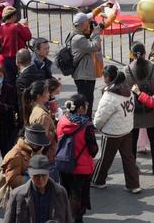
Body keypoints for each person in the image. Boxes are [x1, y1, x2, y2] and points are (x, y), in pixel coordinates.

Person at [91, 65, 142, 193]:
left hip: (112, 132)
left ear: (108, 77)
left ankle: (98, 180)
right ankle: (133, 184)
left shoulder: (110, 95)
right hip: (127, 129)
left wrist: (96, 126)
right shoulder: (128, 91)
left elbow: (100, 117)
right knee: (128, 158)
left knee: (106, 158)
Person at [56, 94, 98, 222]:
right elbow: (94, 150)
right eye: (85, 106)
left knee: (66, 193)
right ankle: (77, 219)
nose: (86, 108)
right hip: (81, 168)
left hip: (63, 164)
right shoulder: (87, 126)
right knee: (78, 196)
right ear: (80, 109)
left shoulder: (62, 120)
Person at [124, 42, 154, 174]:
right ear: (145, 53)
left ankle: (133, 167)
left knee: (133, 141)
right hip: (151, 107)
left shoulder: (127, 70)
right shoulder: (153, 68)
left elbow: (126, 89)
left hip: (135, 109)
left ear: (132, 55)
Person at [3, 155, 73, 223]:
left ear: (48, 173)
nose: (40, 179)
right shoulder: (17, 194)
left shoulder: (61, 192)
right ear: (29, 173)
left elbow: (68, 219)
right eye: (36, 175)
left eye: (43, 175)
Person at [0, 124, 51, 197]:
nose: (40, 146)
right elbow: (12, 180)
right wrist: (34, 179)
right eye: (38, 144)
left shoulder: (33, 151)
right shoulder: (16, 155)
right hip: (19, 197)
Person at [24, 80, 58, 162]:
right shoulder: (42, 115)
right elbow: (42, 141)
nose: (49, 94)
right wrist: (54, 131)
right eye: (46, 92)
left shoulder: (36, 109)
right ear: (39, 96)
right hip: (46, 157)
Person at [0, 6, 32, 86]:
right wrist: (26, 26)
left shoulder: (0, 28)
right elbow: (28, 36)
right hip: (17, 58)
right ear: (13, 16)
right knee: (21, 80)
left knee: (10, 81)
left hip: (5, 58)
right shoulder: (17, 26)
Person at [16, 48, 48, 125]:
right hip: (42, 109)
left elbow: (22, 101)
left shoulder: (21, 80)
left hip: (30, 115)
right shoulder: (39, 72)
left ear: (17, 62)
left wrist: (22, 120)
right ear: (30, 60)